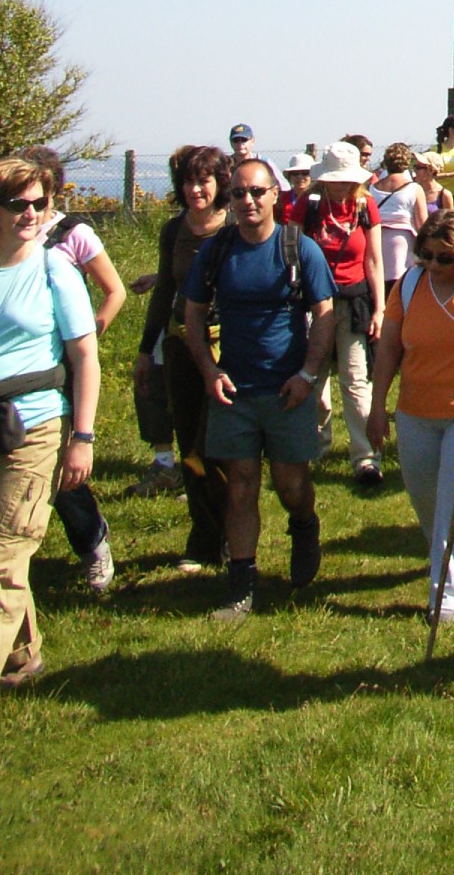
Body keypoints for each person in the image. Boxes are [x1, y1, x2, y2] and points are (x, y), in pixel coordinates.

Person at [183, 157, 334, 621]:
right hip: (236, 391)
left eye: (256, 192)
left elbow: (325, 313)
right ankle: (241, 587)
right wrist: (209, 371)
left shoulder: (299, 248)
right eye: (238, 194)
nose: (247, 201)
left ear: (275, 196)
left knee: (290, 484)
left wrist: (308, 375)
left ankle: (304, 525)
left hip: (288, 389)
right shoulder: (217, 250)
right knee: (241, 487)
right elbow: (192, 312)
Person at [0, 156, 100, 694]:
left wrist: (81, 439)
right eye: (18, 205)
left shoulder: (53, 268)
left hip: (36, 425)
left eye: (40, 203)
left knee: (2, 559)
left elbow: (86, 357)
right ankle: (21, 659)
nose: (31, 214)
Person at [368, 211, 454, 625]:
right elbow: (389, 349)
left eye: (445, 258)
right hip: (416, 407)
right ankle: (441, 554)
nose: (433, 265)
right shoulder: (409, 286)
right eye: (425, 255)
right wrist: (377, 409)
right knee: (427, 499)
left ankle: (452, 591)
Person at [24, 148, 125, 591]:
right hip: (20, 365)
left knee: (64, 470)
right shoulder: (4, 234)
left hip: (63, 368)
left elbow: (114, 289)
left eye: (40, 194)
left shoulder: (72, 233)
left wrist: (88, 335)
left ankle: (92, 543)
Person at [136, 145, 233, 574]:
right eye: (189, 182)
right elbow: (163, 292)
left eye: (204, 181)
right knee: (190, 442)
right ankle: (203, 539)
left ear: (219, 184)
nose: (196, 190)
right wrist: (145, 350)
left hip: (229, 347)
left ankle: (234, 535)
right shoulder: (173, 230)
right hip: (179, 345)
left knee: (224, 444)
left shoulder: (235, 227)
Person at [304, 142, 386, 486]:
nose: (340, 185)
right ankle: (311, 448)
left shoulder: (366, 206)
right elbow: (294, 253)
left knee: (355, 379)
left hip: (354, 301)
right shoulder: (308, 208)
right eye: (334, 179)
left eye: (345, 180)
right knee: (312, 377)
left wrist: (380, 307)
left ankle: (366, 457)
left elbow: (373, 260)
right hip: (313, 302)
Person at [370, 143, 427, 289]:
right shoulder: (414, 188)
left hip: (376, 240)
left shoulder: (372, 188)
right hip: (403, 242)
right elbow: (422, 225)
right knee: (401, 286)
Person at [229, 123, 287, 191]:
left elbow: (284, 187)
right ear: (231, 142)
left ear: (253, 141)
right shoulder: (225, 164)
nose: (240, 144)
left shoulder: (264, 162)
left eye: (244, 140)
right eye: (236, 140)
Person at [414, 151, 454, 217]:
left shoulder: (444, 195)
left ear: (431, 170)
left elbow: (450, 221)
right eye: (415, 166)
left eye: (418, 168)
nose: (415, 170)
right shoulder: (412, 190)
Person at [282, 150, 315, 222]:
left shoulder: (319, 198)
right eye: (295, 173)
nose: (300, 177)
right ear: (290, 176)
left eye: (305, 173)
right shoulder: (282, 199)